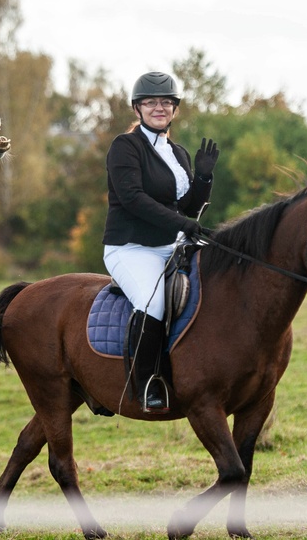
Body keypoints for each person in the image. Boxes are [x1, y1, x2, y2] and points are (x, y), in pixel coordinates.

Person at [102, 71, 219, 413]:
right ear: (137, 108)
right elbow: (134, 199)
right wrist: (183, 224)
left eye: (166, 102)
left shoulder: (178, 153)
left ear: (174, 109)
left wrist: (204, 177)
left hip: (172, 245)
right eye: (151, 102)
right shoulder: (125, 147)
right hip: (131, 247)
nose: (159, 108)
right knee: (153, 303)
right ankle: (147, 383)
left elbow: (189, 209)